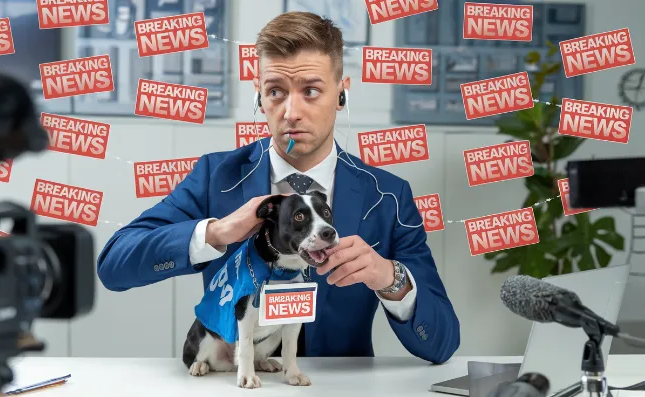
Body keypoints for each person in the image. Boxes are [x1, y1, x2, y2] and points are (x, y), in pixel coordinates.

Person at [97, 11, 460, 364]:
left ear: (341, 94)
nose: (290, 112)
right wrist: (217, 232)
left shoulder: (389, 197)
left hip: (339, 390)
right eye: (276, 91)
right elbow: (114, 265)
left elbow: (442, 342)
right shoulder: (215, 176)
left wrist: (389, 278)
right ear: (259, 95)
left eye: (311, 91)